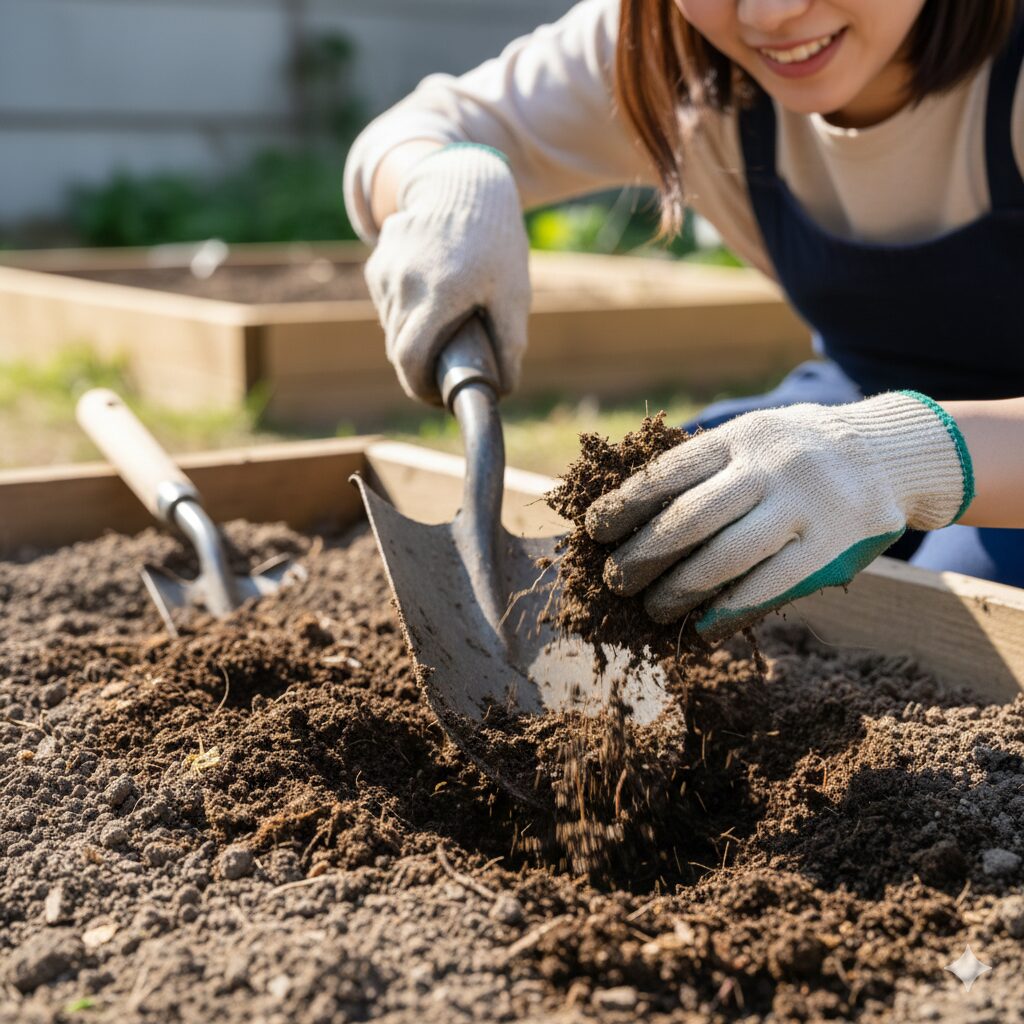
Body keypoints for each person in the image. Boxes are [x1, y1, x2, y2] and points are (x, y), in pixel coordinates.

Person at [344, 0, 1024, 641]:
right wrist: (450, 184)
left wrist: (906, 454)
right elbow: (413, 132)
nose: (770, 15)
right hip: (857, 392)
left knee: (973, 590)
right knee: (658, 526)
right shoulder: (669, 42)